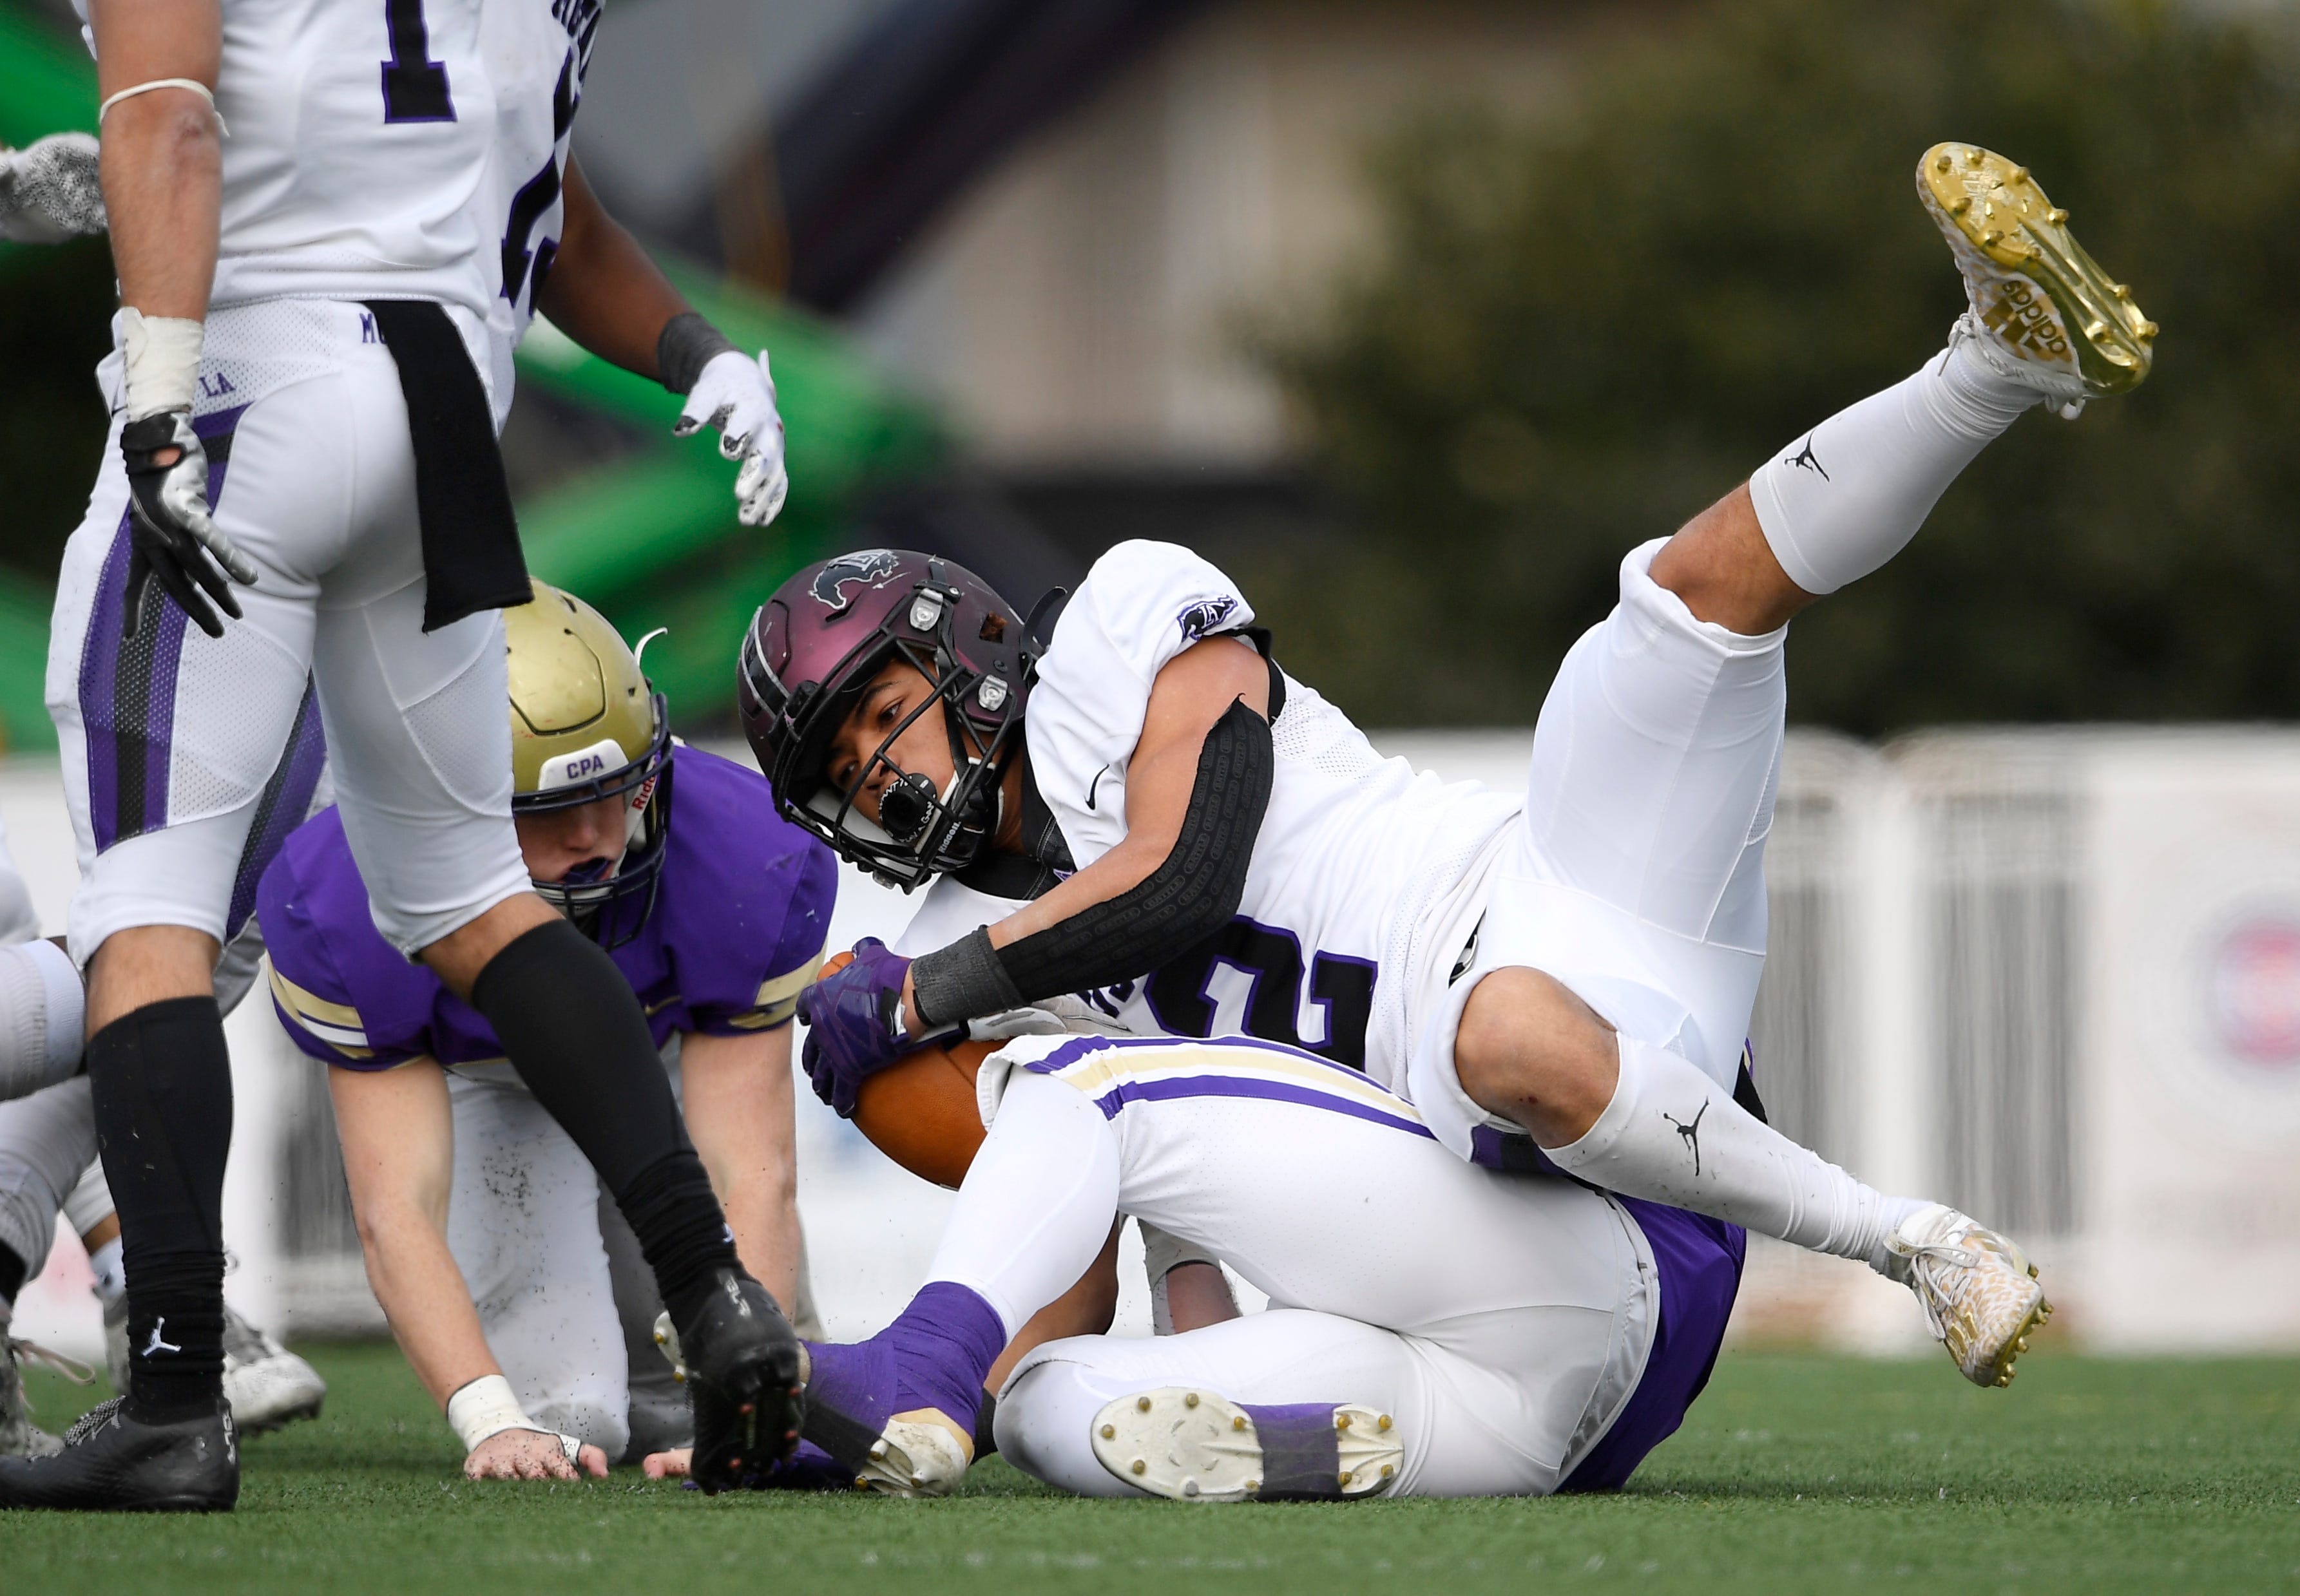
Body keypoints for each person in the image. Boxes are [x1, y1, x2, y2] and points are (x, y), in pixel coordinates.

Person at [743, 143, 2152, 1389]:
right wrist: (995, 1395)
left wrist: (929, 995)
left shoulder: (1119, 619)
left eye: (880, 716)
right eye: (840, 771)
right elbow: (1123, 1192)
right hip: (1429, 1157)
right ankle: (1910, 1241)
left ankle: (1996, 365)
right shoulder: (956, 938)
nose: (874, 775)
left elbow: (1179, 879)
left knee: (1678, 600)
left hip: (1546, 888)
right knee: (1498, 1040)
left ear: (965, 642)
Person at [5, 0, 803, 1510]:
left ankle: (173, 1387)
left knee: (150, 916)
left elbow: (173, 119)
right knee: (474, 903)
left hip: (249, 389)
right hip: (441, 416)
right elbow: (542, 212)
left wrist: (161, 410)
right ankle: (718, 1296)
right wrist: (698, 348)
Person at [647, 1026, 1738, 1500]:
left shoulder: (1330, 872)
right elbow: (1198, 1341)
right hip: (1552, 1430)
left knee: (1087, 1078)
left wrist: (1875, 1224)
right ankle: (1308, 1456)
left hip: (1573, 1262)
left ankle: (921, 1361)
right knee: (1027, 1403)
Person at [259, 582, 836, 1477]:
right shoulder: (341, 893)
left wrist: (740, 1385)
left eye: (616, 793)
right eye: (550, 810)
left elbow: (748, 1166)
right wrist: (491, 1419)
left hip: (669, 1059)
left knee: (759, 1373)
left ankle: (715, 1376)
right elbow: (393, 1207)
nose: (599, 837)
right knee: (570, 1414)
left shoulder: (738, 850)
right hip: (490, 1080)